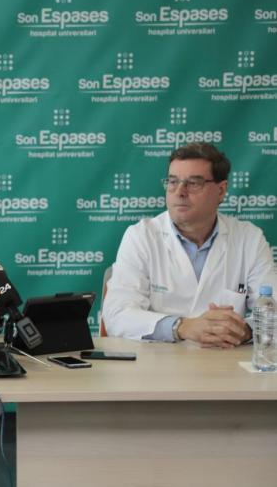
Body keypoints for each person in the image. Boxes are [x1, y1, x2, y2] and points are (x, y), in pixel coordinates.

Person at [103, 142, 277, 347]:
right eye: (173, 181)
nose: (180, 191)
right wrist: (182, 327)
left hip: (224, 360)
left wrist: (243, 330)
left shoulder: (249, 238)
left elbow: (272, 310)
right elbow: (117, 315)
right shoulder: (141, 236)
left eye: (193, 183)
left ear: (221, 191)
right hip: (157, 362)